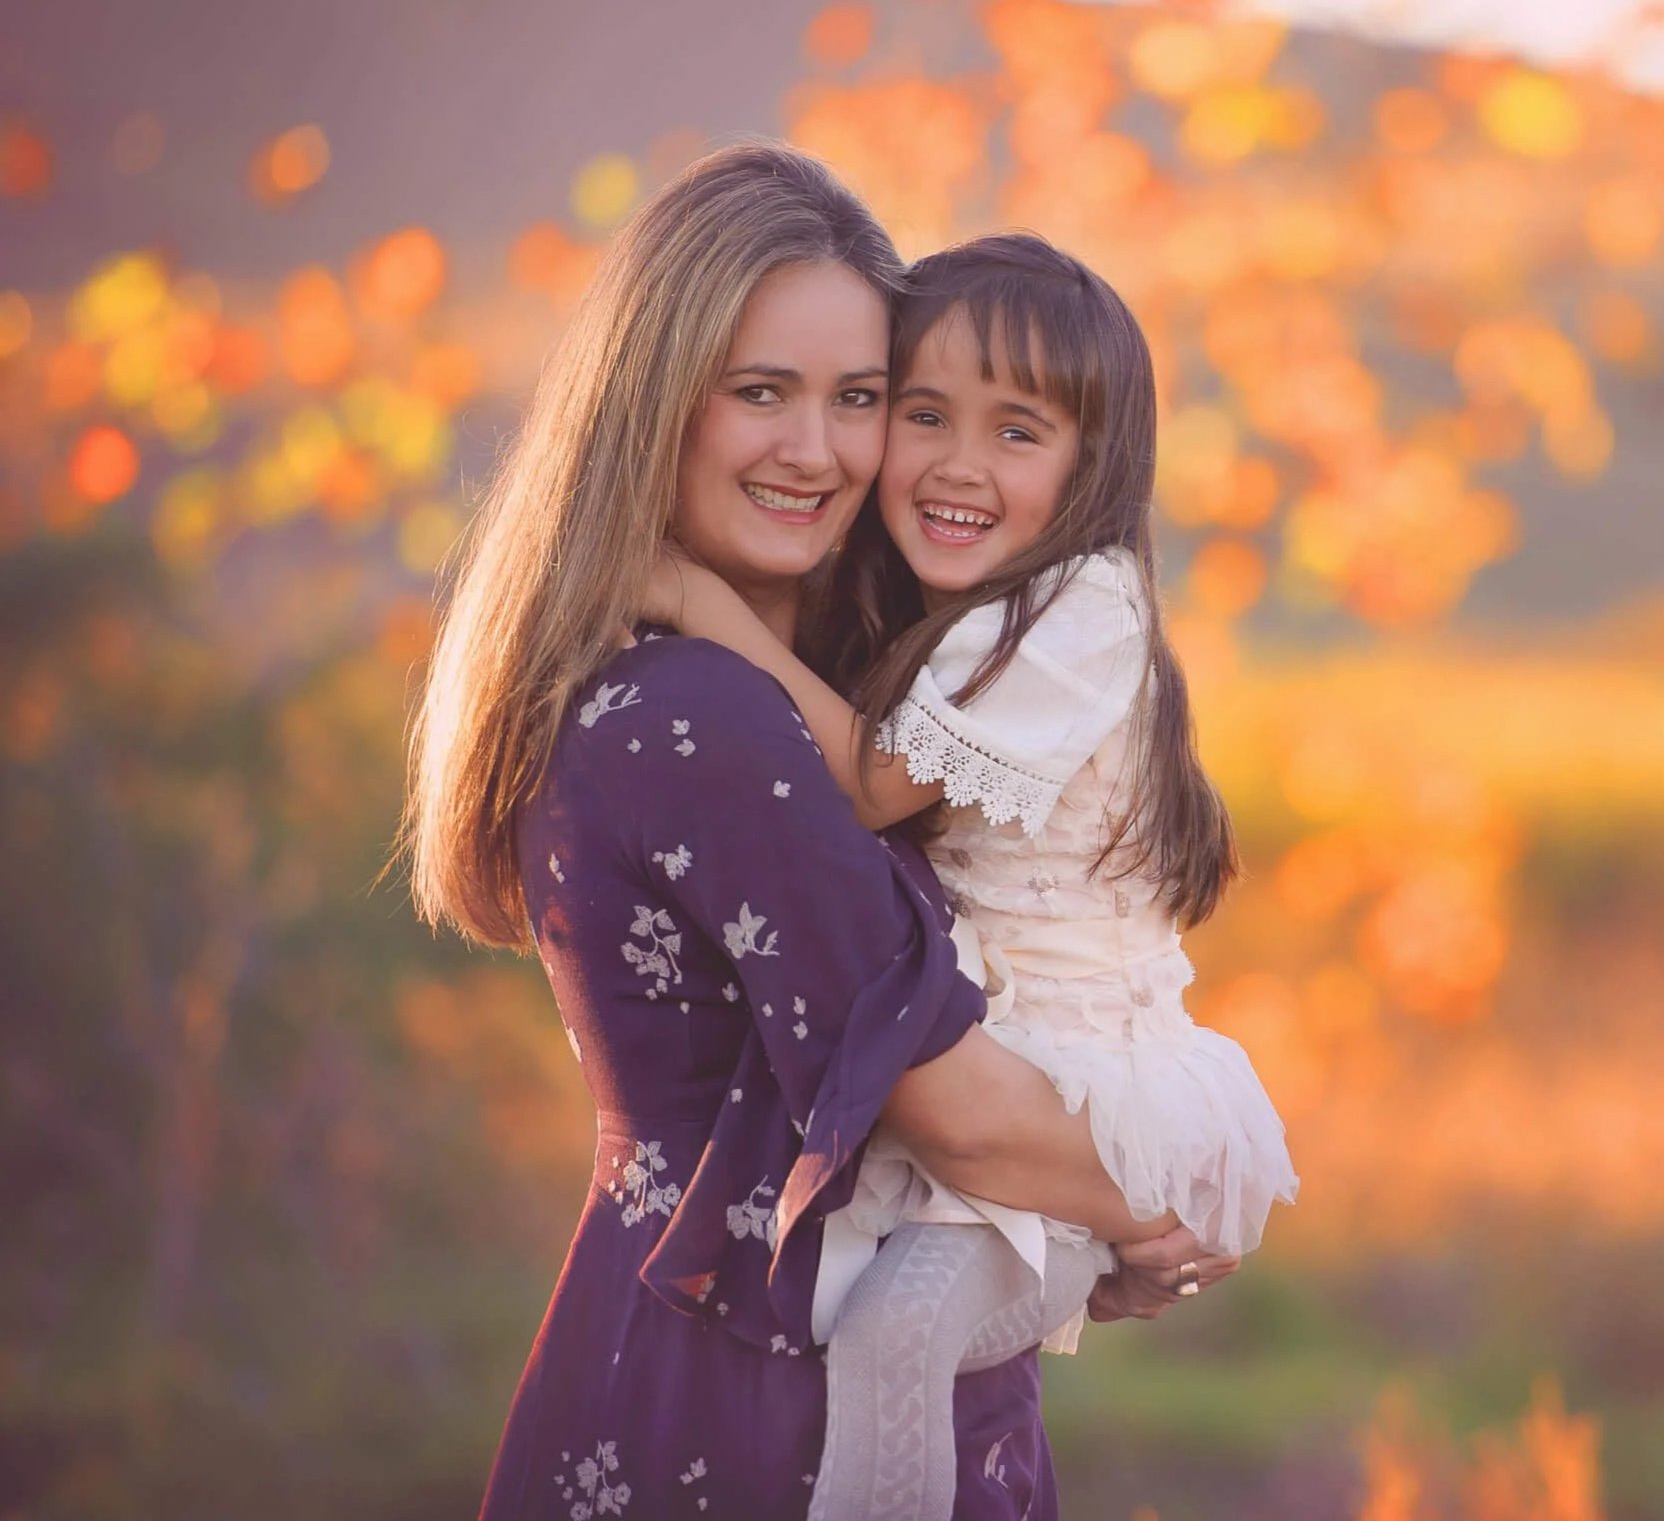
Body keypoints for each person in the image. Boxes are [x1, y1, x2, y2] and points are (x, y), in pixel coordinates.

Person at [405, 147, 1236, 1521]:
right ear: (655, 402)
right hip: (756, 1417)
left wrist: (1078, 1230)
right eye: (761, 393)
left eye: (860, 399)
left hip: (829, 1367)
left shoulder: (821, 691)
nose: (819, 450)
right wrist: (1167, 1194)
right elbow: (954, 1109)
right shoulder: (707, 719)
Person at [647, 231, 1297, 1520]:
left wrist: (687, 595)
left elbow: (871, 785)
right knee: (850, 1333)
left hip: (1077, 1088)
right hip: (979, 1081)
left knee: (898, 1331)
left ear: (1096, 462)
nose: (954, 465)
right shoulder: (954, 616)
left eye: (1017, 431)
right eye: (924, 413)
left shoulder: (1082, 610)